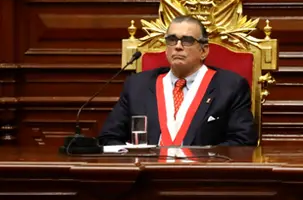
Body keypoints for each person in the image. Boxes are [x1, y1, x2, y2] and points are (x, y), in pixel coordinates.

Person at [98, 15, 255, 147]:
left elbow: (243, 142)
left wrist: (200, 159)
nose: (178, 46)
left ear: (204, 50)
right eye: (172, 40)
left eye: (187, 40)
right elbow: (108, 137)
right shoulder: (138, 85)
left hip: (202, 176)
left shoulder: (230, 87)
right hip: (146, 175)